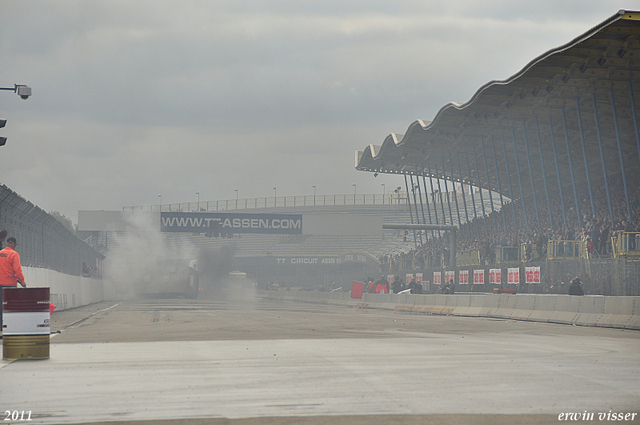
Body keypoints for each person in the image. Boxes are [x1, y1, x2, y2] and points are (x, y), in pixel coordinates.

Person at [0, 237, 27, 335]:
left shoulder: (0, 253)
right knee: (10, 307)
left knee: (0, 306)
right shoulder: (14, 254)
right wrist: (22, 281)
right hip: (9, 285)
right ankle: (9, 325)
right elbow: (17, 269)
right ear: (14, 244)